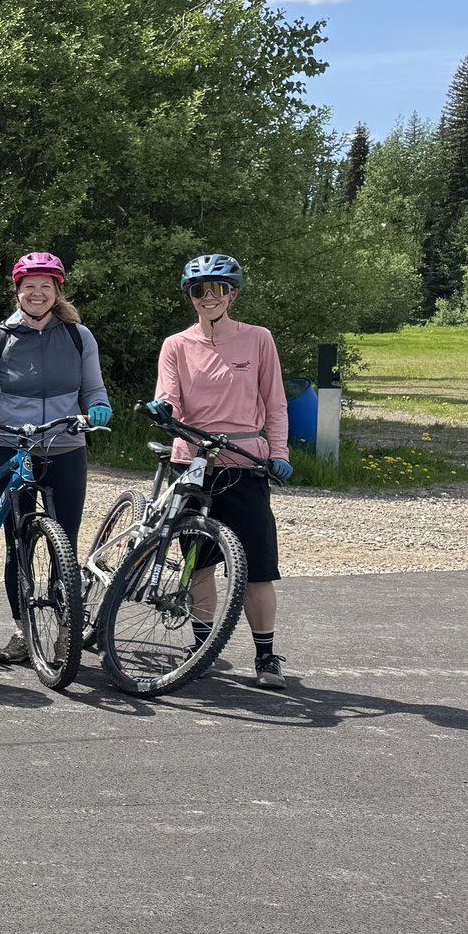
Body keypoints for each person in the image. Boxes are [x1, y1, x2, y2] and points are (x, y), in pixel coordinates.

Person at [0, 251, 112, 665]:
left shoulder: (78, 336)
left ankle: (65, 630)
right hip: (10, 445)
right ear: (17, 292)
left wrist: (100, 407)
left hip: (65, 446)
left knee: (62, 544)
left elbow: (94, 387)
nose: (36, 293)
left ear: (56, 292)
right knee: (19, 544)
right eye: (28, 287)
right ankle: (22, 628)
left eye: (44, 287)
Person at [151, 252, 293, 690]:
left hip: (244, 462)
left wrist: (279, 451)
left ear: (232, 294)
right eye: (198, 291)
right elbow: (170, 395)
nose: (207, 298)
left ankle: (266, 656)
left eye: (216, 290)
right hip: (192, 462)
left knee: (257, 568)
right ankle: (201, 648)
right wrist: (164, 409)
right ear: (189, 296)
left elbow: (274, 401)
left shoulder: (258, 339)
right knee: (198, 565)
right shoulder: (176, 344)